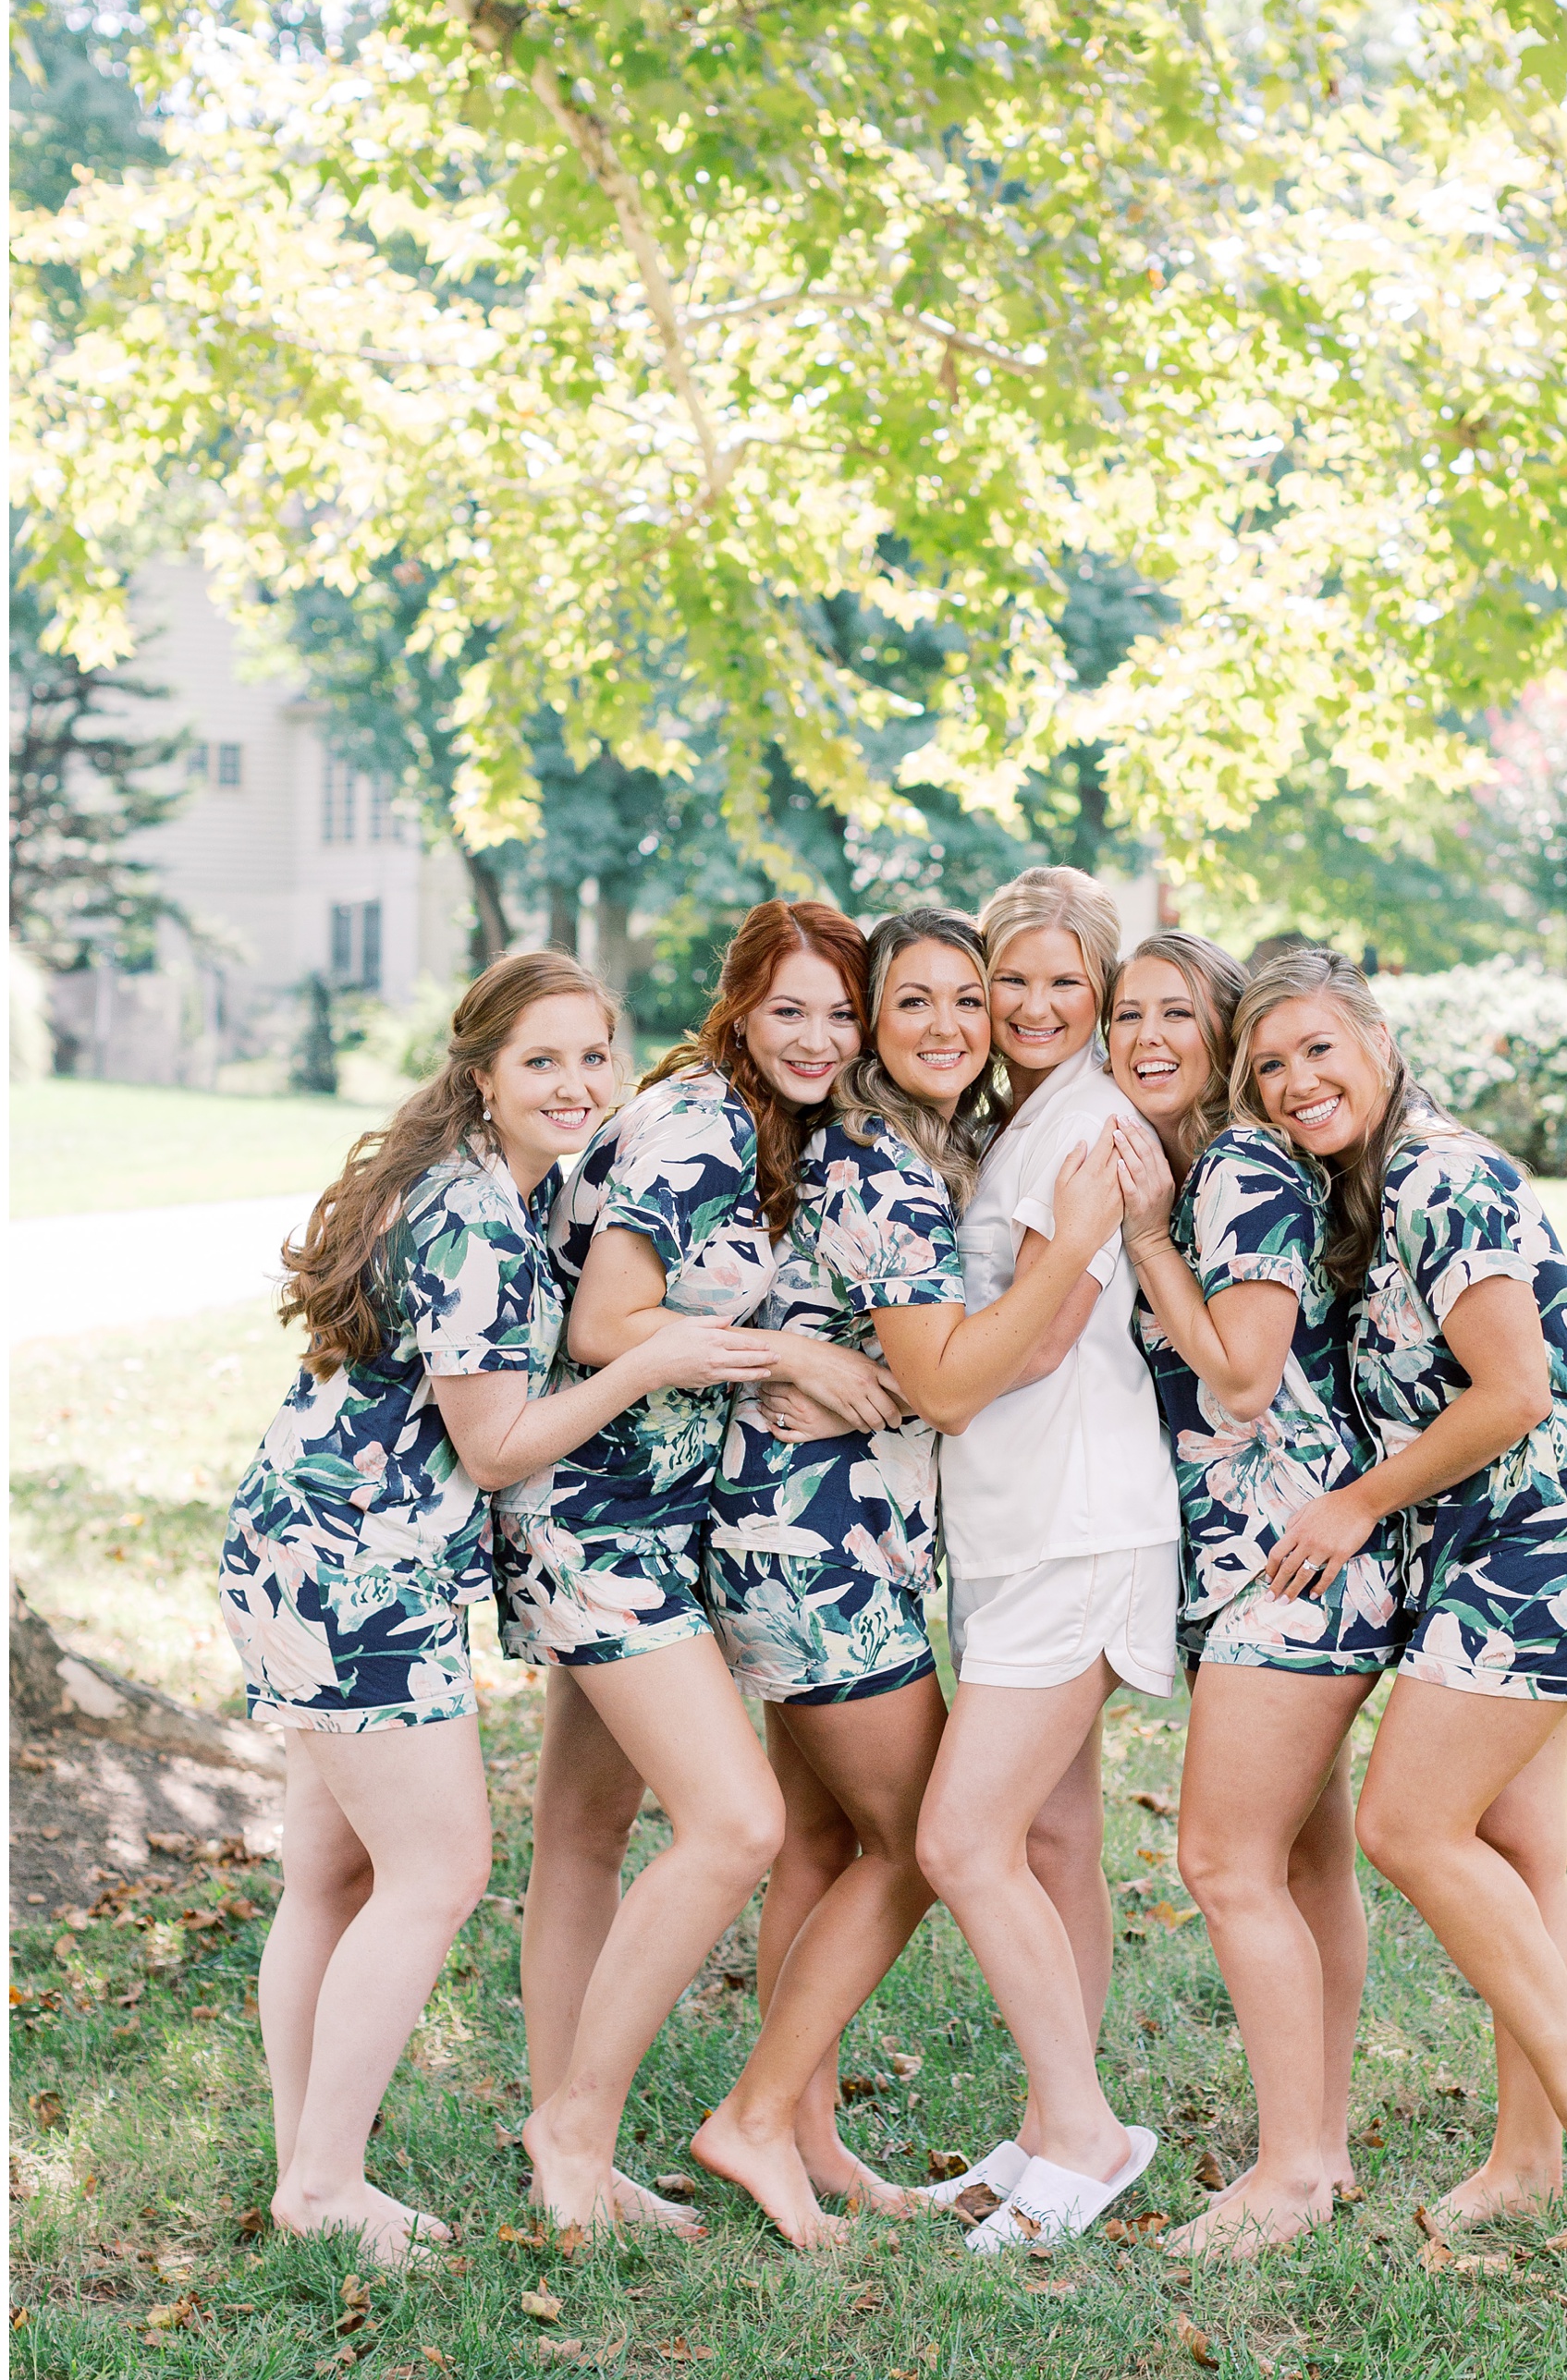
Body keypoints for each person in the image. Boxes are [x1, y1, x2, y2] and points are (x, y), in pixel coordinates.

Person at [221, 951, 727, 2264]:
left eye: (594, 1056)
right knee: (439, 1869)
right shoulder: (474, 1219)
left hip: (307, 1549)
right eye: (541, 1060)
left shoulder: (490, 1186)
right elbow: (498, 1446)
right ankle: (325, 2184)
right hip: (357, 1567)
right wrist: (660, 1357)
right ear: (483, 1075)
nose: (575, 1084)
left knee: (332, 1872)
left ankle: (310, 2170)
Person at [691, 908, 1128, 2248]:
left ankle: (806, 2136)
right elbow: (949, 1382)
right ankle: (758, 2117)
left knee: (827, 1841)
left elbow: (968, 1366)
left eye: (967, 999)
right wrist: (1072, 1247)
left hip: (819, 1535)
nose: (947, 1025)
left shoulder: (927, 1148)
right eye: (912, 1004)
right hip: (817, 1552)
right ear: (874, 1029)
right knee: (922, 1841)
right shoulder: (881, 1167)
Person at [1241, 944, 1567, 2231]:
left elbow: (1516, 1390)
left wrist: (1359, 1502)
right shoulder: (1363, 1186)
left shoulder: (1440, 1175)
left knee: (1407, 1826)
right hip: (1485, 1546)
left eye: (1320, 1048)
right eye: (1269, 1067)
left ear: (1378, 1039)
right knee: (1522, 1849)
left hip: (1546, 1541)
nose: (1300, 1081)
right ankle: (1526, 2162)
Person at [507, 902, 907, 2237]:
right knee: (737, 1823)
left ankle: (571, 2136)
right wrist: (792, 1356)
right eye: (790, 1009)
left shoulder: (764, 1129)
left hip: (652, 1515)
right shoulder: (701, 1121)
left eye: (843, 1014)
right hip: (600, 1517)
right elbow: (607, 1319)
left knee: (582, 1836)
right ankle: (576, 2127)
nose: (819, 1038)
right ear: (738, 1008)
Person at [1108, 936, 1403, 2257]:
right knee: (1302, 1859)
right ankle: (1321, 2146)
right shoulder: (1235, 1165)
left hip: (1287, 1569)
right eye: (1132, 1013)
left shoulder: (1234, 1167)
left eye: (1183, 1014)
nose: (1152, 1034)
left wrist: (1148, 1241)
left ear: (1220, 1036)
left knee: (1225, 1862)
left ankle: (1286, 2174)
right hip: (1291, 1563)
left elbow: (1239, 1374)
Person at [909, 871, 1181, 2253]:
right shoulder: (1025, 1121)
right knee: (1057, 1836)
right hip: (1019, 1528)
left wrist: (888, 1376)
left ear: (1099, 988)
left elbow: (1044, 1334)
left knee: (962, 1838)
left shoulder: (1084, 1129)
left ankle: (1084, 2133)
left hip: (1077, 1523)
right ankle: (1045, 2120)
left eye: (1061, 981)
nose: (1027, 1005)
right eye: (1007, 977)